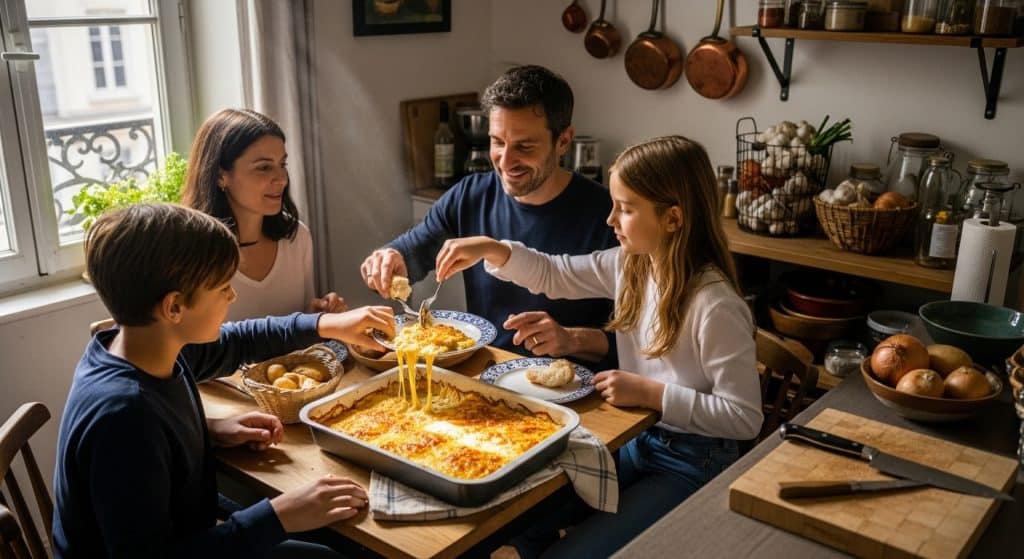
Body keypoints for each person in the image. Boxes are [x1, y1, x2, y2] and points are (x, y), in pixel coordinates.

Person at [434, 136, 764, 557]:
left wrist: (652, 394)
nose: (610, 220)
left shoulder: (714, 304)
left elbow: (745, 418)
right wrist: (490, 248)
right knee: (521, 518)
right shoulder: (631, 265)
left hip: (693, 461)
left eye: (625, 209)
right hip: (636, 439)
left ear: (672, 219)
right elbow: (554, 273)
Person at [53, 203, 395, 558]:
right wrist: (277, 516)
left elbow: (241, 340)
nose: (233, 296)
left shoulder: (140, 346)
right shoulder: (125, 417)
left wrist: (325, 324)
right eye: (222, 288)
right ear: (174, 308)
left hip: (189, 520)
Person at [361, 65, 617, 369]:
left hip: (582, 394)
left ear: (563, 141)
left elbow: (645, 347)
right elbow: (413, 253)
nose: (505, 161)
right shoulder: (471, 195)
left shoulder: (611, 215)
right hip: (491, 377)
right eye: (497, 142)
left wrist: (573, 339)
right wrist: (389, 259)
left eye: (524, 146)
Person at [183, 108, 346, 322]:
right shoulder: (189, 255)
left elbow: (302, 324)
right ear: (221, 175)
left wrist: (318, 316)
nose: (281, 179)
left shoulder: (297, 238)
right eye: (264, 168)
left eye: (282, 164)